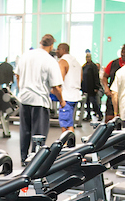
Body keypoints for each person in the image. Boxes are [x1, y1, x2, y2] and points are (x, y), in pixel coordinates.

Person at [13, 34, 63, 165]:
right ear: (51, 46)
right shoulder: (49, 60)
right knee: (39, 134)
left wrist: (21, 89)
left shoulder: (25, 55)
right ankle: (35, 161)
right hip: (39, 101)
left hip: (24, 99)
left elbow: (17, 76)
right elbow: (56, 87)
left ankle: (24, 159)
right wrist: (62, 101)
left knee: (25, 131)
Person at [56, 42, 83, 135]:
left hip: (66, 97)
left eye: (58, 49)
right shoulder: (77, 62)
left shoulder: (63, 61)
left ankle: (67, 145)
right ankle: (70, 145)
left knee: (66, 126)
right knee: (69, 123)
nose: (56, 51)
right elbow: (81, 78)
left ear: (63, 50)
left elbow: (58, 81)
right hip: (75, 96)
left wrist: (61, 99)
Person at [101, 43, 125, 122]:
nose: (123, 54)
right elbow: (104, 77)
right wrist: (106, 88)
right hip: (112, 97)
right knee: (109, 120)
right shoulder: (113, 63)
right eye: (122, 51)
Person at [80, 51, 101, 122]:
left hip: (92, 88)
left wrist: (96, 87)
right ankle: (88, 116)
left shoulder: (93, 66)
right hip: (85, 88)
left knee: (94, 102)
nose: (87, 58)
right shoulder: (84, 66)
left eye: (88, 57)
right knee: (87, 103)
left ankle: (99, 114)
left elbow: (96, 77)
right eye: (86, 57)